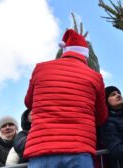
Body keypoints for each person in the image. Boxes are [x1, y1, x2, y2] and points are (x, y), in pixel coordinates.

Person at [24, 29, 108, 168]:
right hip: (79, 148)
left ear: (65, 51)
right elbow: (101, 117)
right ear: (85, 55)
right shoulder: (94, 76)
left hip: (42, 148)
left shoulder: (41, 68)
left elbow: (29, 103)